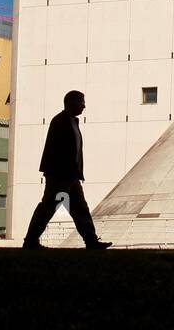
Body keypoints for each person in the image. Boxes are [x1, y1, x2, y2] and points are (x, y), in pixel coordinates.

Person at [22, 90, 112, 250]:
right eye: (81, 102)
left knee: (78, 209)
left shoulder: (70, 122)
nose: (84, 106)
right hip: (61, 175)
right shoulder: (60, 121)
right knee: (50, 207)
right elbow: (58, 151)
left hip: (69, 176)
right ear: (71, 102)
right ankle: (30, 241)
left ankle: (91, 241)